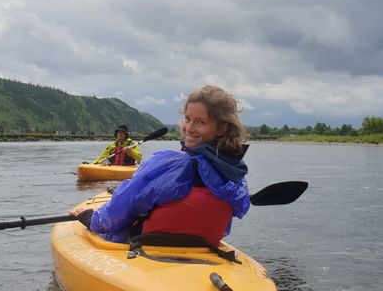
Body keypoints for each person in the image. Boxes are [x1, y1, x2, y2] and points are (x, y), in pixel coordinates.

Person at [70, 85, 250, 246]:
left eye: (200, 122)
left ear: (221, 128)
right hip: (202, 246)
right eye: (187, 119)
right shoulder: (235, 174)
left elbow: (118, 213)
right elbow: (234, 214)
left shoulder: (172, 164)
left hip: (147, 244)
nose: (189, 128)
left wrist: (91, 218)